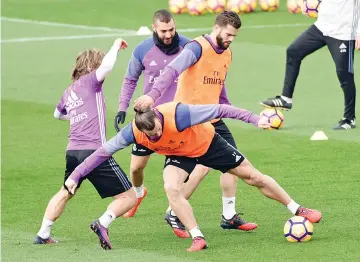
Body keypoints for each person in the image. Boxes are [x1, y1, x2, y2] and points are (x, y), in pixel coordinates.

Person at [65, 102, 322, 252]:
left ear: (158, 117)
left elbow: (223, 109)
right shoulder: (134, 132)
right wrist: (76, 175)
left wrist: (255, 119)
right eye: (150, 136)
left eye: (156, 132)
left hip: (208, 144)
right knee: (171, 187)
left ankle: (298, 209)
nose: (154, 138)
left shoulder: (180, 114)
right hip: (179, 155)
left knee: (254, 177)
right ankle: (198, 236)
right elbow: (101, 153)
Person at [134, 10, 257, 236]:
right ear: (217, 28)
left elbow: (219, 84)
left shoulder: (227, 53)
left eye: (234, 36)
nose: (231, 39)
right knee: (201, 169)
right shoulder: (195, 48)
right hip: (190, 118)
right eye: (229, 34)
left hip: (214, 117)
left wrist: (228, 109)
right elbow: (171, 72)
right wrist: (152, 95)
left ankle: (229, 216)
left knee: (232, 162)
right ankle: (173, 211)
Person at [33, 39, 136, 250]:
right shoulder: (91, 81)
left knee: (65, 192)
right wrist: (115, 45)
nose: (100, 68)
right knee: (129, 197)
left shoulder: (68, 91)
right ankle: (103, 223)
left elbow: (57, 114)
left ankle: (43, 233)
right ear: (90, 67)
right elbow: (107, 67)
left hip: (73, 152)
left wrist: (76, 117)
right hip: (94, 152)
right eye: (97, 64)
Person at [113, 9, 190, 221]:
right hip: (149, 119)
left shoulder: (189, 46)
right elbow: (130, 79)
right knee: (136, 168)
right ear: (154, 28)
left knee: (181, 172)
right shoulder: (143, 49)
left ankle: (174, 211)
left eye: (172, 29)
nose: (168, 35)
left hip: (178, 118)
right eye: (164, 30)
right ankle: (138, 193)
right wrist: (122, 106)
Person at [261, 0, 359, 130]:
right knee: (293, 51)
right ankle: (286, 99)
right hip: (322, 26)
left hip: (343, 33)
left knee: (345, 75)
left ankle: (349, 119)